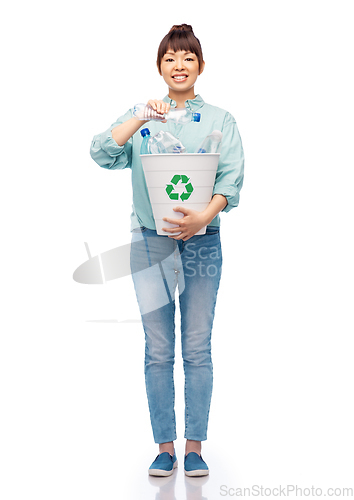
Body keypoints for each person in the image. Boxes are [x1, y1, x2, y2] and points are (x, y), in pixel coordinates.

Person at [90, 24, 244, 477]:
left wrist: (202, 217)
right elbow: (101, 153)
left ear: (200, 66)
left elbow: (231, 180)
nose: (179, 65)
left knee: (197, 345)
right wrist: (140, 116)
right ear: (160, 67)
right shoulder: (143, 115)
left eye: (188, 58)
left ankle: (194, 447)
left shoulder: (220, 120)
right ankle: (164, 447)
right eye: (171, 58)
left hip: (204, 241)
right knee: (158, 348)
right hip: (149, 241)